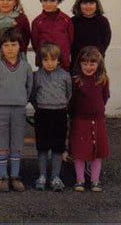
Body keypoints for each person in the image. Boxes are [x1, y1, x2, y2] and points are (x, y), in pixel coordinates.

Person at [0, 27, 33, 192]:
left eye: (14, 44)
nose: (10, 48)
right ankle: (2, 176)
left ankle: (15, 175)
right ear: (1, 48)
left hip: (19, 108)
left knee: (16, 142)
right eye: (6, 45)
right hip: (0, 108)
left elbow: (29, 88)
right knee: (1, 141)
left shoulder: (26, 67)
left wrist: (21, 101)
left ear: (20, 46)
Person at [31, 43, 72, 191]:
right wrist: (40, 106)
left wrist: (61, 104)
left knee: (57, 147)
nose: (49, 63)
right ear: (40, 60)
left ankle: (55, 177)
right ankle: (42, 176)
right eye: (46, 60)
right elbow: (32, 95)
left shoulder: (65, 76)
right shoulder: (36, 76)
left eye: (53, 60)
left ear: (59, 60)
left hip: (59, 113)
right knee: (42, 147)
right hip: (42, 113)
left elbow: (69, 93)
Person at [69, 46, 110, 193]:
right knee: (79, 152)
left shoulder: (103, 80)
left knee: (96, 153)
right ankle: (80, 179)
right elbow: (72, 101)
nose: (88, 67)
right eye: (84, 63)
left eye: (92, 63)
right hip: (80, 121)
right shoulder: (76, 80)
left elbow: (104, 98)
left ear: (99, 63)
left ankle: (95, 180)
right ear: (79, 64)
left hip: (98, 121)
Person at [31, 0, 73, 71]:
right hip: (45, 64)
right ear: (40, 0)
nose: (48, 4)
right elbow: (35, 43)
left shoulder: (66, 20)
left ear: (59, 0)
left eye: (52, 0)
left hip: (63, 64)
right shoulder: (37, 22)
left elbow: (71, 40)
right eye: (45, 0)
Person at [70, 0, 111, 69]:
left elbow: (105, 41)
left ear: (97, 4)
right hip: (77, 63)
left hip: (96, 63)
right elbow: (70, 42)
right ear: (79, 4)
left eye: (91, 3)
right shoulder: (73, 21)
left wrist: (97, 56)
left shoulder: (102, 21)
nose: (88, 6)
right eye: (84, 3)